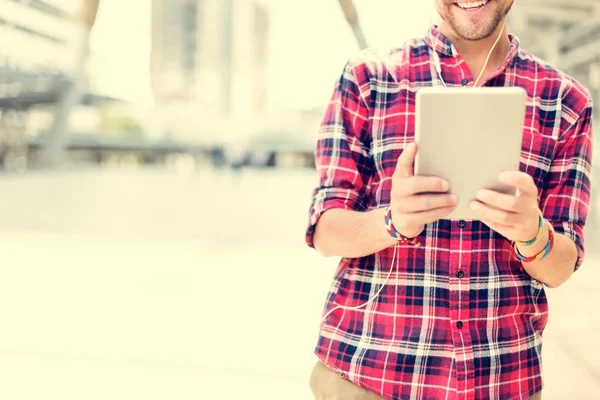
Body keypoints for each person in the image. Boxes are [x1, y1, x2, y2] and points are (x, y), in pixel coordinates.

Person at [305, 1, 594, 399]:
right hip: (367, 376)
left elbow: (561, 266)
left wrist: (532, 232)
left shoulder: (566, 102)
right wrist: (393, 221)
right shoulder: (366, 78)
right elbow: (324, 230)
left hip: (501, 382)